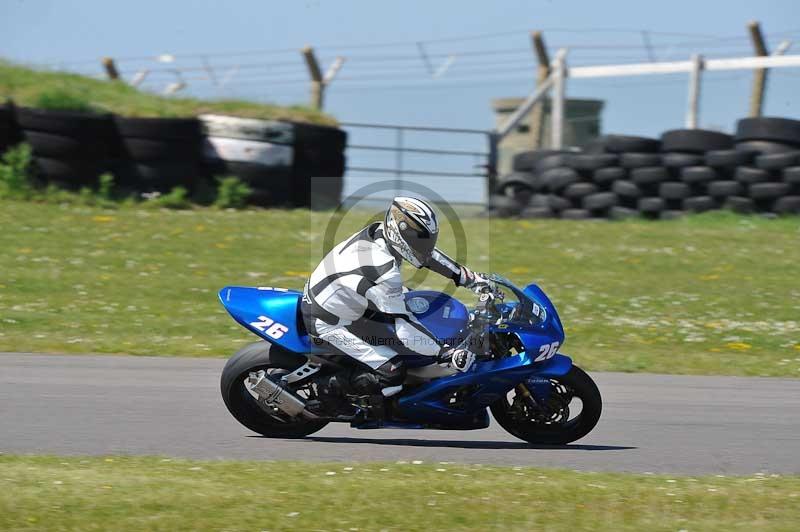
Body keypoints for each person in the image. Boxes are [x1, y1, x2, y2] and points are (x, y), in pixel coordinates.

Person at [301, 196, 489, 398]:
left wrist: (468, 278)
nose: (425, 245)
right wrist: (445, 353)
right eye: (419, 239)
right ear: (400, 232)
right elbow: (405, 329)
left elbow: (427, 255)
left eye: (428, 238)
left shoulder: (381, 231)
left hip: (349, 302)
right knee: (392, 373)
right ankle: (332, 394)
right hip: (330, 321)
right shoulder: (383, 269)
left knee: (419, 311)